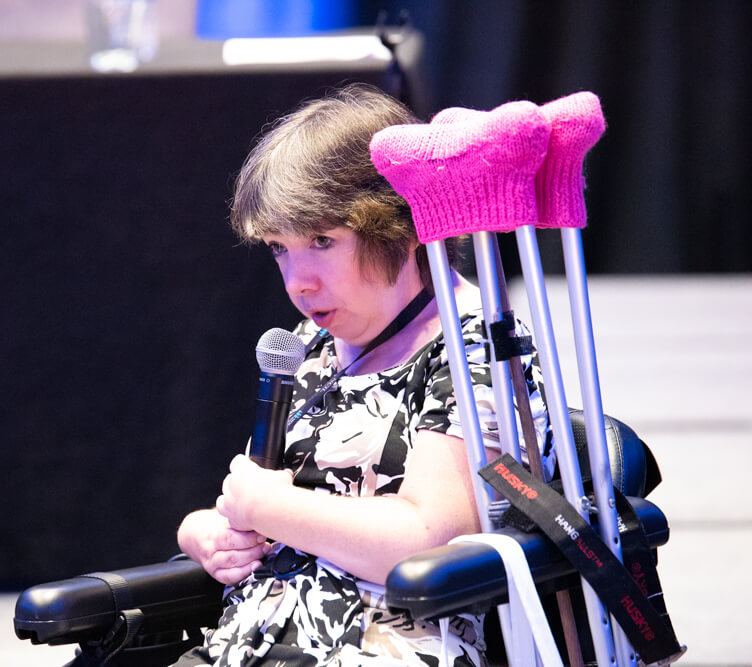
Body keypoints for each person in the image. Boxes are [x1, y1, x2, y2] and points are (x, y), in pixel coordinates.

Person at [174, 83, 553, 666]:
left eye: (322, 240)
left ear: (401, 226)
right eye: (278, 247)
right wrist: (207, 535)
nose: (298, 281)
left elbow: (427, 541)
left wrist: (270, 509)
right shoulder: (309, 346)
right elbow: (258, 505)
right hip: (250, 644)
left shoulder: (476, 345)